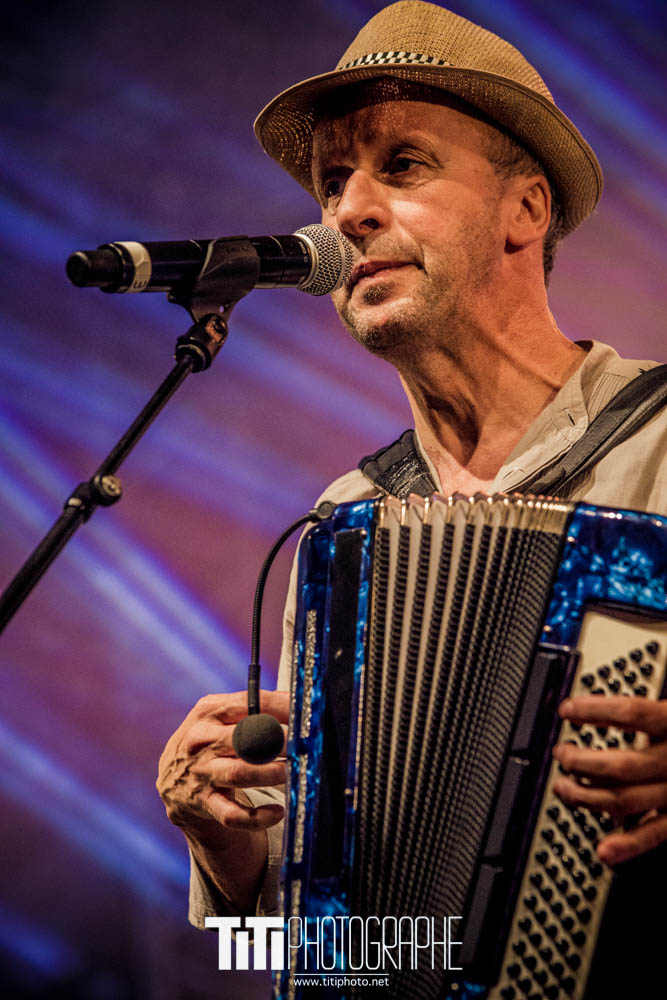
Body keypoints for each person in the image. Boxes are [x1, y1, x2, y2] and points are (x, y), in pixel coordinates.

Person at [156, 1, 666, 991]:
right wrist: (229, 860)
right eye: (333, 179)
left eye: (402, 166)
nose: (345, 211)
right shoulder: (345, 523)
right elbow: (315, 958)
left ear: (527, 208)